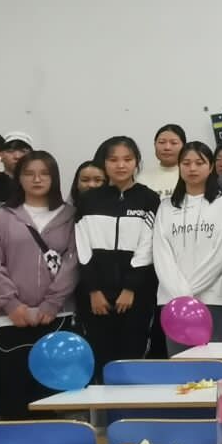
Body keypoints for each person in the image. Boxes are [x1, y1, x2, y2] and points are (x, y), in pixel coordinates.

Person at [0, 151, 78, 417]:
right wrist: (11, 304)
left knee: (52, 397)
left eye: (44, 173)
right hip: (9, 320)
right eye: (29, 173)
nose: (37, 179)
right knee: (14, 396)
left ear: (55, 178)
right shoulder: (2, 217)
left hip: (57, 317)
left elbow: (73, 262)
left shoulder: (70, 216)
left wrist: (52, 302)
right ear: (18, 178)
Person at [74, 136, 161, 362]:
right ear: (103, 163)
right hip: (96, 298)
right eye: (113, 160)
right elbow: (82, 247)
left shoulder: (149, 199)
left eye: (127, 159)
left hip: (137, 296)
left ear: (136, 162)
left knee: (133, 355)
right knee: (100, 356)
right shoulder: (88, 200)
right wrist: (93, 290)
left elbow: (147, 247)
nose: (120, 165)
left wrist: (130, 288)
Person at [149, 141, 222, 351]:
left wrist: (187, 292)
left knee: (213, 362)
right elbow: (161, 253)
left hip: (213, 298)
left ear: (211, 167)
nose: (192, 168)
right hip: (173, 301)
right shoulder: (166, 206)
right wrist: (180, 294)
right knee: (180, 364)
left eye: (199, 163)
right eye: (186, 163)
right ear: (179, 166)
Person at [137, 123, 187, 196]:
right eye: (162, 142)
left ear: (184, 146)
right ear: (154, 145)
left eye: (174, 143)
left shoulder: (192, 175)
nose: (167, 147)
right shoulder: (142, 179)